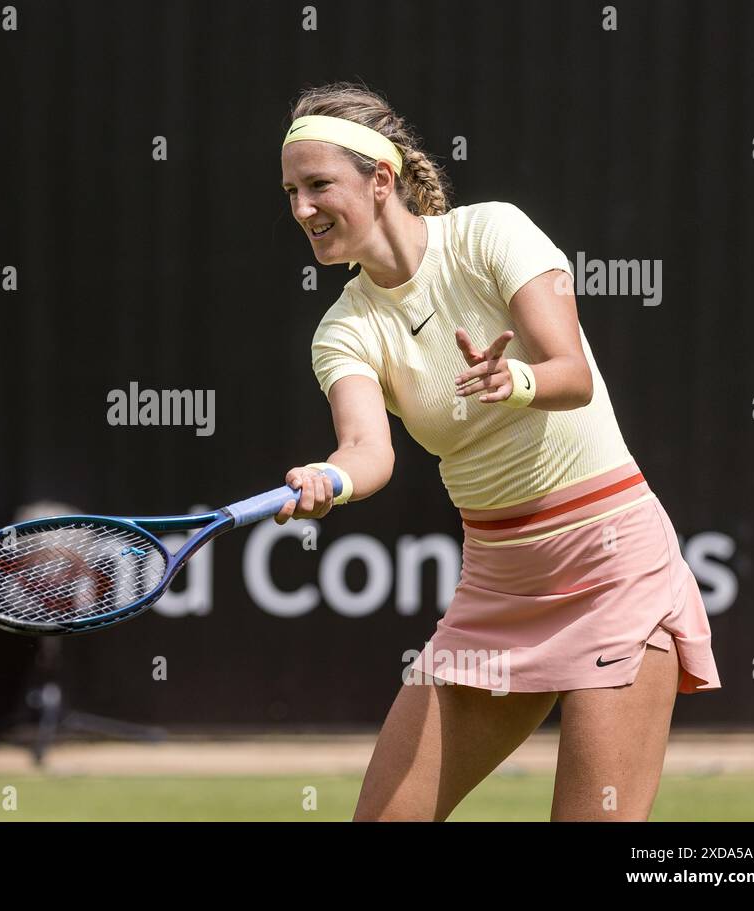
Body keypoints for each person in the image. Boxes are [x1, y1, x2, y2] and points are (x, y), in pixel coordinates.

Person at [275, 81, 720, 821]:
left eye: (318, 185)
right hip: (498, 589)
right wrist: (330, 476)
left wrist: (511, 379)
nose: (301, 209)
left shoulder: (491, 234)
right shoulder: (343, 329)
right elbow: (365, 448)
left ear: (380, 179)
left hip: (614, 568)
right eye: (291, 191)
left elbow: (571, 374)